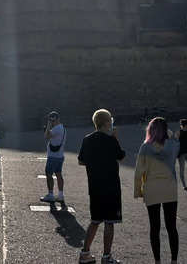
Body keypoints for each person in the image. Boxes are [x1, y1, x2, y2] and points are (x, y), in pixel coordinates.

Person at [78, 109, 125, 264]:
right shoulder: (111, 139)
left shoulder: (87, 139)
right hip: (111, 186)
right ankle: (106, 256)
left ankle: (85, 253)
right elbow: (121, 156)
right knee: (110, 222)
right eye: (110, 120)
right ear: (106, 122)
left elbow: (81, 161)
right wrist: (116, 138)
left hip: (95, 186)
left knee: (95, 220)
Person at [134, 117, 180, 264]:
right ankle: (173, 260)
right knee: (171, 226)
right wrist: (169, 132)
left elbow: (138, 172)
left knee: (155, 227)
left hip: (152, 188)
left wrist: (138, 191)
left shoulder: (145, 147)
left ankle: (157, 261)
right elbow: (175, 138)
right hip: (169, 188)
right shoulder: (173, 144)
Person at [41, 111, 66, 203]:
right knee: (59, 174)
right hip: (60, 156)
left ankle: (50, 194)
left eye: (52, 120)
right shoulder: (62, 128)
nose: (52, 122)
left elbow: (46, 136)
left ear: (56, 119)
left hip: (53, 156)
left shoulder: (56, 128)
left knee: (48, 174)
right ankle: (60, 195)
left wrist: (48, 125)